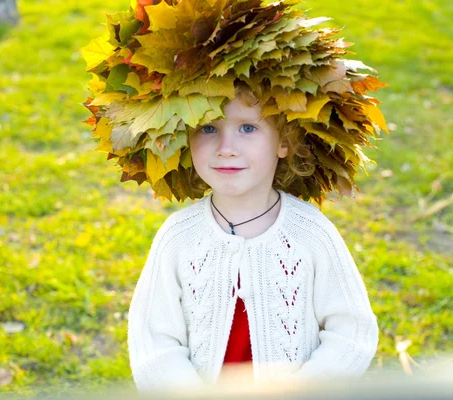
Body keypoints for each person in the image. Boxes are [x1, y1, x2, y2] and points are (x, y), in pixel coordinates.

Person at [81, 0, 388, 394]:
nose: (226, 148)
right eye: (208, 129)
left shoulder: (311, 233)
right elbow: (154, 344)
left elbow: (351, 333)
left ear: (285, 142)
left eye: (247, 129)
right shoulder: (179, 237)